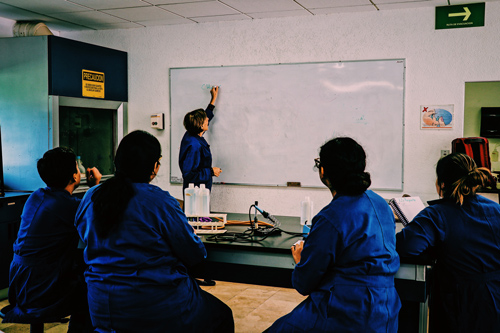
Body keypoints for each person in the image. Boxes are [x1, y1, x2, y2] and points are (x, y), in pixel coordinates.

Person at [74, 130, 234, 333]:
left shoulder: (91, 197)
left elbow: (83, 233)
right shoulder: (159, 200)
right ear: (155, 167)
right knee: (221, 315)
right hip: (155, 307)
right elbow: (195, 254)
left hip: (103, 308)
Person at [266, 137, 401, 332]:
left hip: (346, 311)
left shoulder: (332, 217)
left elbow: (304, 283)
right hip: (385, 312)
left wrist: (300, 261)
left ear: (323, 172)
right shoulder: (381, 204)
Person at [396, 152, 500, 332]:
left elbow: (406, 246)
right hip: (495, 297)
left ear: (441, 184)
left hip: (460, 304)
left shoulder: (436, 214)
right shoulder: (495, 208)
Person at [3, 147, 101, 332]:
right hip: (41, 288)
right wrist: (94, 186)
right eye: (77, 167)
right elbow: (95, 218)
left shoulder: (37, 195)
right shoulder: (67, 206)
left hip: (20, 285)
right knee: (94, 287)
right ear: (73, 176)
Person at [179, 86, 222, 192]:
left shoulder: (191, 132)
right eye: (205, 120)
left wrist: (213, 100)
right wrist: (211, 172)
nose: (208, 119)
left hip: (199, 191)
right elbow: (189, 174)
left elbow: (206, 116)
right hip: (196, 194)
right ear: (201, 126)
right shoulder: (194, 146)